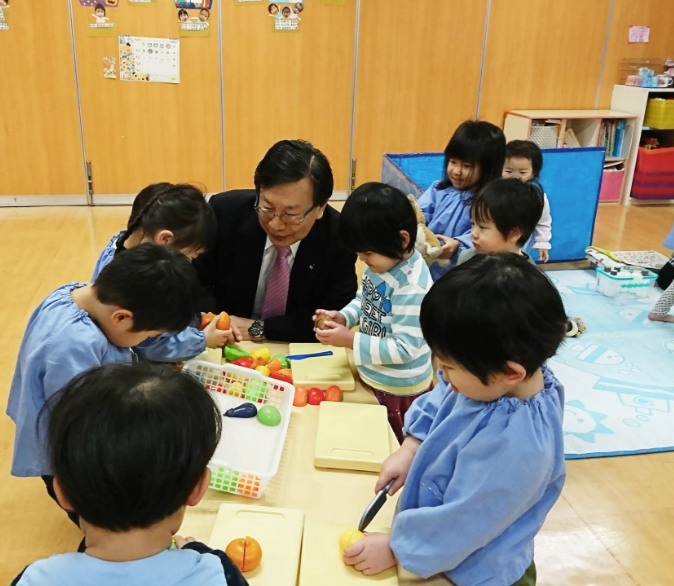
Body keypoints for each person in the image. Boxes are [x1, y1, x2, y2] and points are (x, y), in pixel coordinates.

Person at [343, 254, 567, 586]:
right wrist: (411, 447)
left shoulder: (518, 447)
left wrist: (397, 549)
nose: (442, 375)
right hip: (437, 543)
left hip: (475, 570)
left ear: (510, 372)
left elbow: (469, 519)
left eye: (448, 367)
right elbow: (440, 399)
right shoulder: (490, 377)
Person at [6, 244, 201, 524]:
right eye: (148, 335)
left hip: (75, 426)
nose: (145, 341)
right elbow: (86, 419)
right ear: (121, 317)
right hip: (75, 452)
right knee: (99, 517)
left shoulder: (74, 294)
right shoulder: (74, 344)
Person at [10, 363, 248, 586]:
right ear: (197, 487)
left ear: (61, 491)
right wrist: (200, 553)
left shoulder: (33, 580)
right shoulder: (218, 574)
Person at [196, 139, 358, 343]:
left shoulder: (339, 237)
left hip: (295, 347)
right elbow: (194, 281)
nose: (275, 224)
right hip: (223, 340)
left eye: (291, 214)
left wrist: (259, 329)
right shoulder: (225, 213)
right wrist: (216, 322)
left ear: (320, 208)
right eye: (267, 208)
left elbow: (334, 315)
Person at [314, 183, 433, 442]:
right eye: (359, 253)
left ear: (402, 240)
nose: (362, 260)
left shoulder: (411, 287)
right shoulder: (381, 265)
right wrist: (344, 317)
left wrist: (350, 340)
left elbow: (404, 349)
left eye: (367, 252)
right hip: (373, 374)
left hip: (399, 388)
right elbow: (364, 299)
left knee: (391, 445)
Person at [93, 182, 235, 361]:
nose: (190, 264)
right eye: (191, 256)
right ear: (165, 239)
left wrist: (201, 320)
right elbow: (146, 344)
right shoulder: (136, 280)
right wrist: (202, 340)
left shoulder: (124, 244)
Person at [418, 120, 506, 280]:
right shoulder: (438, 190)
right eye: (452, 162)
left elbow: (488, 237)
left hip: (463, 277)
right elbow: (419, 216)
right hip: (427, 271)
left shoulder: (491, 203)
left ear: (488, 167)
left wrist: (458, 245)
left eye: (467, 166)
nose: (456, 171)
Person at [457, 177, 544, 265]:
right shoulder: (466, 258)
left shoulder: (528, 272)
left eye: (482, 227)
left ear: (514, 233)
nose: (473, 234)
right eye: (473, 223)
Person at [503, 140, 553, 263]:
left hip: (521, 242)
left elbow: (543, 221)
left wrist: (542, 242)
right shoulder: (494, 192)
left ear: (533, 173)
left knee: (516, 263)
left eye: (523, 172)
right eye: (508, 171)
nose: (515, 176)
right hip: (496, 239)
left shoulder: (537, 197)